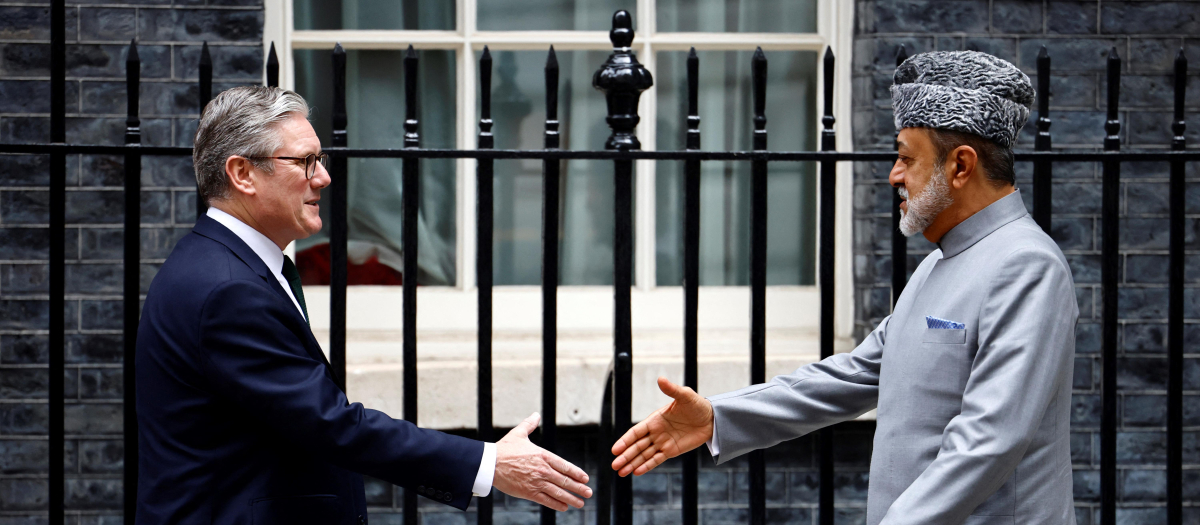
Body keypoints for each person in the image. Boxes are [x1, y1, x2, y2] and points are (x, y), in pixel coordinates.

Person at [611, 51, 1078, 524]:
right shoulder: (940, 263)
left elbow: (988, 441)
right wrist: (719, 417)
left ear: (960, 166)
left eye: (905, 158)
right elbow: (853, 375)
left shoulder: (1026, 265)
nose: (894, 175)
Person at [136, 86, 591, 524]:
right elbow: (329, 424)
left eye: (321, 159)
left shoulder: (223, 264)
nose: (324, 177)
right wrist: (488, 462)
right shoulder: (227, 288)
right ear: (242, 174)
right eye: (305, 161)